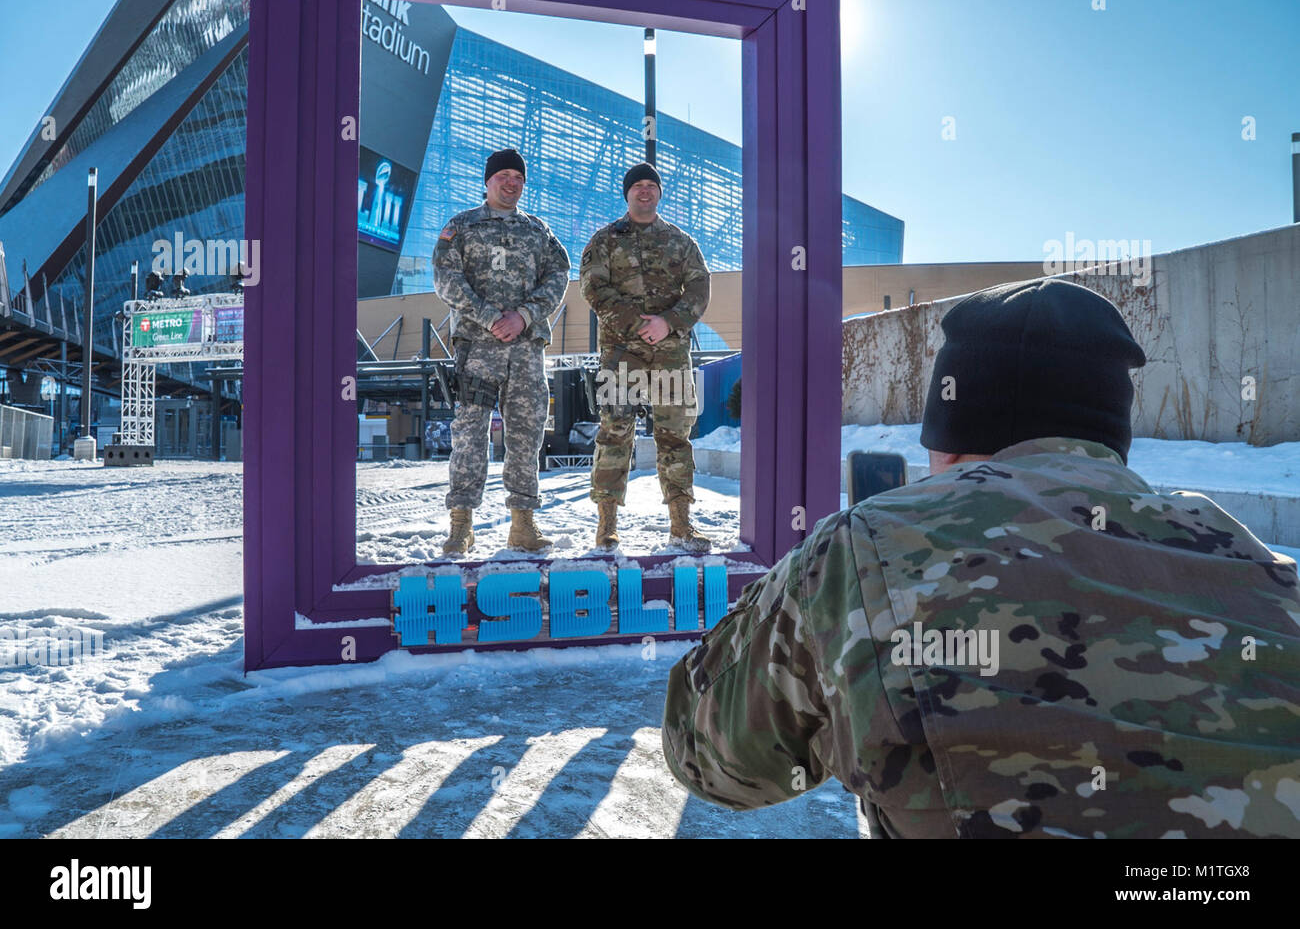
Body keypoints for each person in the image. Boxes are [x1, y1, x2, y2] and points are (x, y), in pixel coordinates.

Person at [662, 278, 1300, 838]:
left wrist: (795, 595)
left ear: (950, 437)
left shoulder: (868, 547)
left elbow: (709, 755)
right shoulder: (1243, 550)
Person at [433, 148, 570, 554]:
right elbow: (445, 279)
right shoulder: (462, 227)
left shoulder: (538, 231)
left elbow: (559, 276)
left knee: (526, 435)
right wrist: (492, 317)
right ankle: (461, 524)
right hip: (479, 347)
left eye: (518, 177)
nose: (511, 182)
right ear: (488, 181)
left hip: (526, 349)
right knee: (470, 435)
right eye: (503, 176)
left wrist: (524, 317)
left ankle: (523, 524)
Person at [581, 162, 711, 552]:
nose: (644, 191)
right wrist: (639, 323)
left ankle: (681, 523)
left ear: (659, 193)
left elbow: (700, 287)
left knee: (675, 436)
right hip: (622, 354)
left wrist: (668, 322)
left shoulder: (680, 241)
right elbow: (594, 288)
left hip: (670, 354)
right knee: (614, 434)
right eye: (637, 185)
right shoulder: (605, 240)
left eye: (651, 185)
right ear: (627, 193)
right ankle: (607, 525)